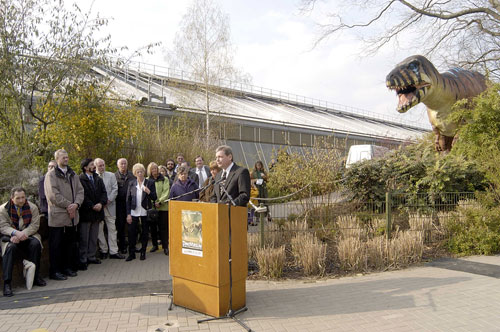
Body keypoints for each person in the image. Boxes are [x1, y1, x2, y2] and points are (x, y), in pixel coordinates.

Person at [45, 149, 84, 280]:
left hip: (72, 216)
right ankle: (55, 271)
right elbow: (53, 195)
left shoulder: (73, 174)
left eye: (67, 157)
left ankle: (67, 267)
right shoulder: (51, 175)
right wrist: (69, 205)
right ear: (57, 159)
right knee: (56, 245)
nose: (66, 159)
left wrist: (76, 204)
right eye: (63, 158)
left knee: (70, 243)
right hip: (58, 216)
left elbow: (80, 191)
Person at [0, 187, 46, 297]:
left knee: (35, 244)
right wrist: (16, 233)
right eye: (18, 198)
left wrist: (23, 233)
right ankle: (7, 284)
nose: (21, 200)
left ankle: (35, 277)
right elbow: (3, 226)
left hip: (28, 235)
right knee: (9, 249)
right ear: (12, 198)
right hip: (10, 237)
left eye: (23, 197)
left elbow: (34, 225)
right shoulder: (3, 210)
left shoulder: (32, 207)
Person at [78, 159, 108, 270]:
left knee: (93, 237)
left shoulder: (98, 179)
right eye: (91, 165)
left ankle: (91, 256)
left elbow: (104, 193)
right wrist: (92, 206)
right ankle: (83, 259)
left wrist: (101, 203)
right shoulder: (80, 179)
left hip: (97, 213)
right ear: (85, 167)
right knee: (84, 237)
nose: (94, 166)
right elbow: (82, 195)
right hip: (86, 213)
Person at [125, 163, 157, 261]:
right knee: (131, 233)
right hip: (134, 211)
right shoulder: (131, 183)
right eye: (137, 172)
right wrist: (128, 214)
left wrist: (148, 192)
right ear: (135, 173)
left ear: (144, 172)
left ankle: (143, 251)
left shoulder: (150, 182)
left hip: (145, 211)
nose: (140, 173)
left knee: (145, 232)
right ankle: (132, 253)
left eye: (141, 171)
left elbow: (154, 197)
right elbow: (128, 200)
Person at [95, 158, 124, 259]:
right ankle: (104, 250)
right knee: (99, 230)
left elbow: (115, 189)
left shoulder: (111, 175)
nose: (102, 167)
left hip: (110, 206)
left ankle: (113, 251)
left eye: (103, 165)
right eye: (100, 166)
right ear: (95, 166)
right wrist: (100, 203)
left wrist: (108, 200)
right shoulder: (93, 176)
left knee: (112, 229)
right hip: (98, 208)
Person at [147, 162, 170, 255]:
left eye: (155, 169)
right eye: (152, 169)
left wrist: (160, 201)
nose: (154, 171)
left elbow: (166, 192)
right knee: (153, 228)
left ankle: (165, 246)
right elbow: (147, 193)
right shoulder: (147, 180)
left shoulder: (164, 179)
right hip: (152, 208)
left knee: (163, 228)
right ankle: (154, 245)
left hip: (163, 207)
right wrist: (154, 202)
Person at [115, 158, 135, 254]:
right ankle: (122, 246)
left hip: (131, 204)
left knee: (132, 226)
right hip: (119, 205)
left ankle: (132, 246)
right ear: (118, 165)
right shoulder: (114, 176)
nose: (123, 165)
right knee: (120, 226)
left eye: (125, 164)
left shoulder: (132, 175)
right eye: (121, 164)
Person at [38, 160, 57, 240]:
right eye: (49, 166)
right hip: (47, 210)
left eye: (53, 166)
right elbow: (44, 196)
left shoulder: (57, 178)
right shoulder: (43, 179)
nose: (51, 168)